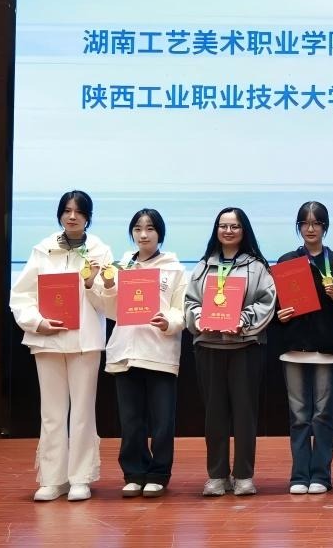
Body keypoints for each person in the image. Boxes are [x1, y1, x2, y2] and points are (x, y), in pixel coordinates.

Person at [9, 190, 114, 502]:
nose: (72, 216)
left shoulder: (100, 251)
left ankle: (80, 477)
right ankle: (53, 479)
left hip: (85, 342)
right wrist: (37, 322)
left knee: (82, 412)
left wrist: (93, 283)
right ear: (59, 214)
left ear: (88, 217)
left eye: (79, 211)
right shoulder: (43, 250)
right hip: (48, 340)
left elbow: (110, 305)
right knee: (52, 413)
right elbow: (21, 296)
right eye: (67, 210)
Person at [184, 207, 276, 497]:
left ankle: (244, 475)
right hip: (209, 347)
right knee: (214, 415)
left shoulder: (257, 267)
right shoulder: (203, 266)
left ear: (243, 230)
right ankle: (217, 475)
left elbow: (267, 302)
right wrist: (199, 317)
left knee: (245, 414)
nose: (228, 231)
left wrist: (242, 320)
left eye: (234, 226)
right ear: (216, 230)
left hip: (245, 348)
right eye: (223, 226)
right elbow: (190, 302)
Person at [98, 208, 186, 498]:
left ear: (160, 233)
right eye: (137, 229)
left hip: (159, 352)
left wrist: (168, 322)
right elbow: (111, 311)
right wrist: (108, 285)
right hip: (125, 351)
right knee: (131, 420)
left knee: (162, 421)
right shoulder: (121, 266)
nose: (143, 235)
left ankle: (159, 474)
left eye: (150, 229)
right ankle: (134, 473)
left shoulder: (174, 268)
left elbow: (180, 310)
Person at [274, 201, 333, 494]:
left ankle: (321, 474)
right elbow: (278, 305)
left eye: (316, 223)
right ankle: (299, 475)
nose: (310, 228)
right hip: (294, 348)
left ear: (325, 227)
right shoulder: (287, 261)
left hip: (327, 349)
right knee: (299, 416)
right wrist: (279, 316)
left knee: (323, 415)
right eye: (305, 223)